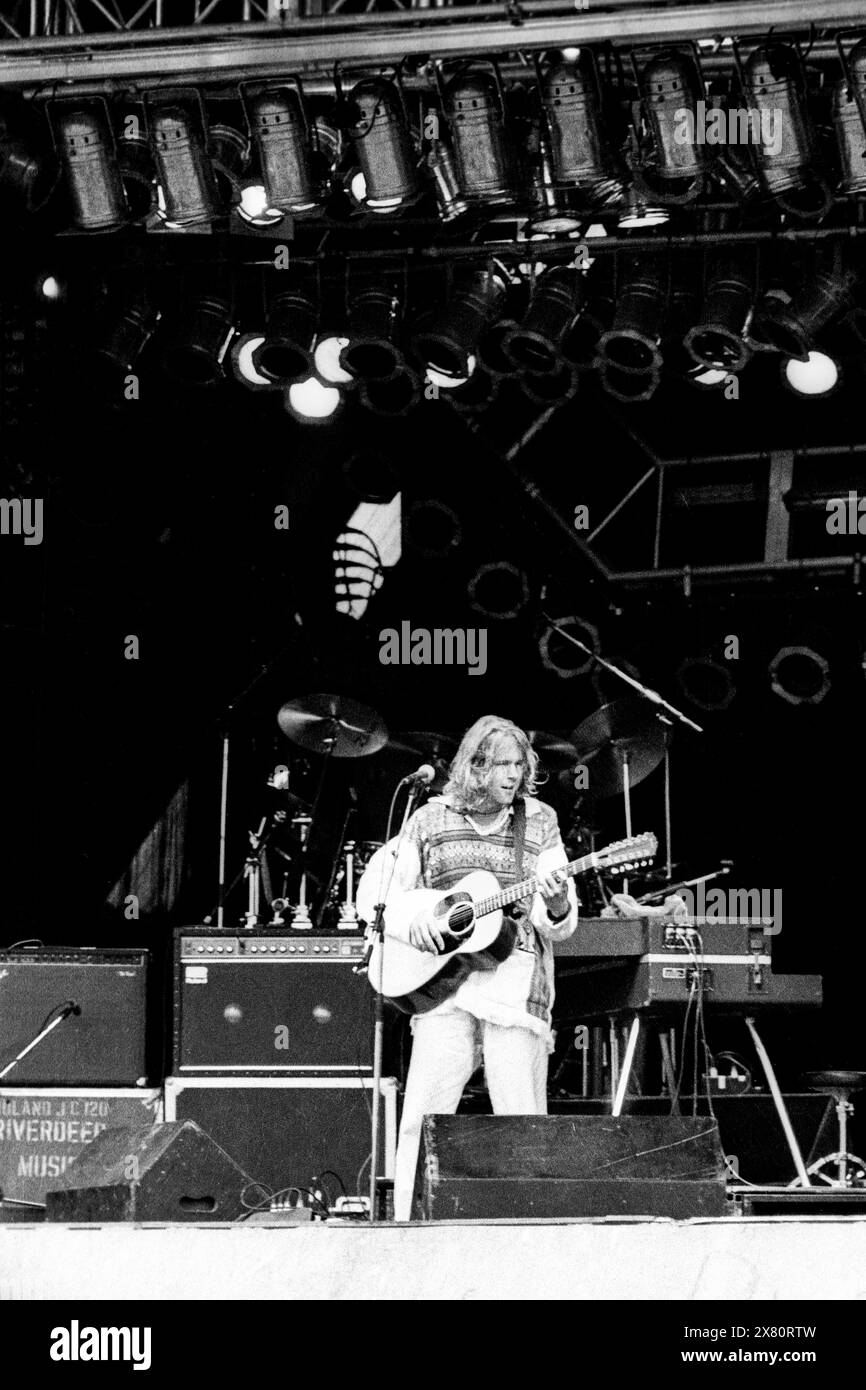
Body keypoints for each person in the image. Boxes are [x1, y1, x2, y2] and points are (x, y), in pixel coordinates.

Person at [359, 714, 578, 1221]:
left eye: (519, 765)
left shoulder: (539, 820)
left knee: (520, 1114)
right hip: (443, 989)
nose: (512, 775)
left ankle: (531, 1222)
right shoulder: (430, 819)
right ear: (475, 765)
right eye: (501, 764)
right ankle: (406, 1221)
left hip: (514, 984)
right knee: (423, 1113)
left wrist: (561, 898)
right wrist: (415, 920)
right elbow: (377, 895)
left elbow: (556, 924)